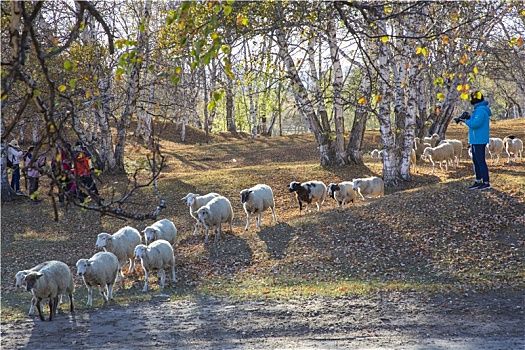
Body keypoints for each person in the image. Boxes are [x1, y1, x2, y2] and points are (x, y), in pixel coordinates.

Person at [462, 91, 492, 191]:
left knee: (480, 161)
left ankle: (486, 182)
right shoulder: (478, 110)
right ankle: (478, 180)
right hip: (475, 139)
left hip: (479, 139)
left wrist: (465, 121)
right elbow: (475, 121)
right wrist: (469, 118)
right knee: (475, 160)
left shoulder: (481, 110)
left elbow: (475, 124)